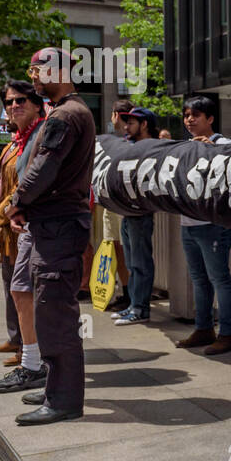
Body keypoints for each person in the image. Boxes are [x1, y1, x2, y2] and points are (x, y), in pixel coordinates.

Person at [8, 46, 96, 426]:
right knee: (50, 311)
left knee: (56, 314)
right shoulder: (66, 112)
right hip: (55, 224)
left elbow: (44, 169)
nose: (31, 78)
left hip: (60, 227)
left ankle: (63, 399)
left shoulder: (65, 115)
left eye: (36, 71)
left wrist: (16, 200)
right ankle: (55, 390)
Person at [0, 82, 51, 392]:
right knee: (15, 289)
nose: (13, 107)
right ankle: (22, 348)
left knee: (30, 293)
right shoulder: (12, 145)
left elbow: (20, 191)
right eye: (9, 102)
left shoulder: (40, 137)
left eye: (21, 100)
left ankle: (32, 355)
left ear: (38, 105)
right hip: (14, 228)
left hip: (29, 226)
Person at [176, 96, 231, 355]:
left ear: (210, 119)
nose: (189, 119)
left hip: (213, 224)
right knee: (199, 280)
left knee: (219, 279)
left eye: (196, 115)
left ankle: (226, 334)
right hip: (188, 223)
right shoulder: (184, 145)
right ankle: (203, 329)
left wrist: (210, 147)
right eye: (187, 115)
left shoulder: (223, 143)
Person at [115, 106, 160, 325]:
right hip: (127, 212)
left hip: (140, 212)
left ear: (144, 125)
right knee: (132, 263)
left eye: (131, 123)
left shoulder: (153, 148)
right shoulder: (130, 146)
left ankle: (140, 309)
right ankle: (134, 304)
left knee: (140, 262)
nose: (126, 127)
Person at [100, 100, 133, 313]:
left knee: (128, 251)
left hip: (126, 204)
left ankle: (133, 296)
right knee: (116, 248)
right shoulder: (111, 140)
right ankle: (126, 293)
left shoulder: (134, 140)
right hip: (110, 202)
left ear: (115, 115)